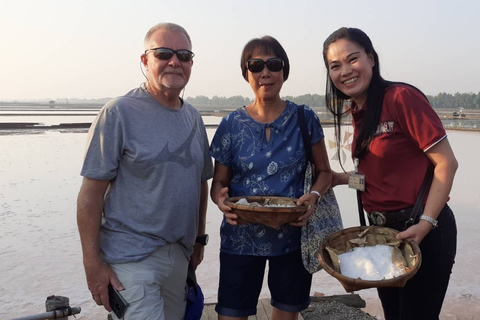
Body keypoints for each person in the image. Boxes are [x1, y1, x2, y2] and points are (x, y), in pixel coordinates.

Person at [76, 22, 213, 320]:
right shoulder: (119, 113)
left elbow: (200, 183)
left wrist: (199, 239)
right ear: (145, 60)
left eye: (184, 55)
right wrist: (92, 265)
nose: (175, 61)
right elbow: (90, 194)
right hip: (130, 260)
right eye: (164, 53)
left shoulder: (193, 117)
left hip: (179, 256)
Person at [322, 27, 458, 320]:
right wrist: (341, 178)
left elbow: (446, 163)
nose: (345, 71)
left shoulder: (400, 98)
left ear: (371, 58)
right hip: (384, 237)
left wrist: (425, 224)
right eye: (335, 66)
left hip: (423, 231)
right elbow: (377, 177)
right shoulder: (358, 111)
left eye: (353, 59)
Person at [209, 36, 332, 320]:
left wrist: (313, 196)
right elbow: (219, 182)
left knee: (287, 314)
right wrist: (220, 200)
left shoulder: (304, 117)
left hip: (292, 237)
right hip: (240, 236)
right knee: (230, 314)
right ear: (246, 73)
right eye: (256, 65)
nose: (265, 72)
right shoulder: (230, 125)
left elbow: (324, 171)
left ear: (284, 72)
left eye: (273, 64)